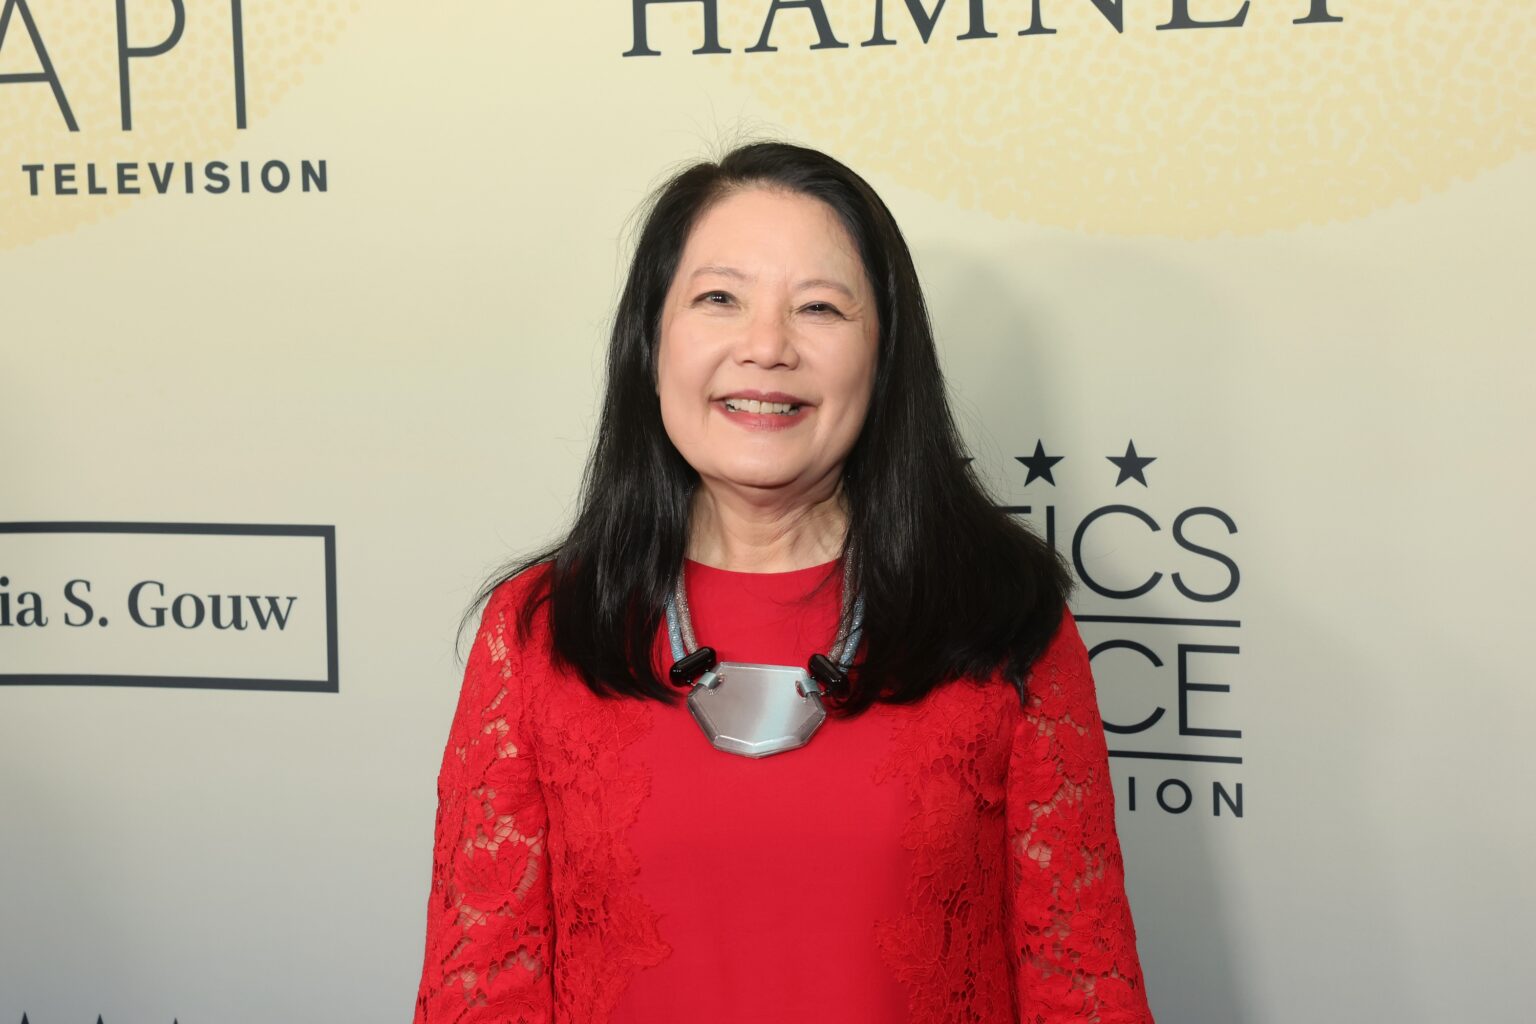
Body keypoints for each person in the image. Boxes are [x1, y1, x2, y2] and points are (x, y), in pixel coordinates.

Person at [412, 141, 1155, 1023]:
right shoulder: (538, 631)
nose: (766, 348)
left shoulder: (1005, 623)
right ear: (651, 341)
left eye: (820, 308)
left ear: (885, 359)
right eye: (719, 299)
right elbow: (481, 996)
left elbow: (1083, 990)